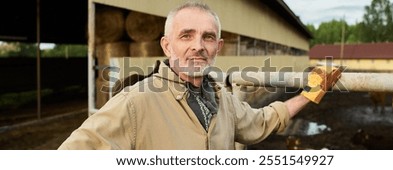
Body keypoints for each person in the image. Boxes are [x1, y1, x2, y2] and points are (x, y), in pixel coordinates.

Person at [58, 1, 341, 150]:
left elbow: (262, 121)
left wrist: (310, 93)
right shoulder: (136, 102)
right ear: (167, 46)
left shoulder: (223, 99)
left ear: (217, 47)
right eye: (186, 36)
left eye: (208, 37)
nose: (198, 46)